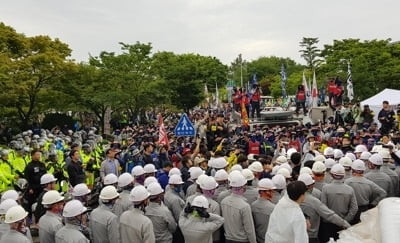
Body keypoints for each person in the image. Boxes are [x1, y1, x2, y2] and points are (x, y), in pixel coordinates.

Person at [298, 174, 350, 243]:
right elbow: (329, 215)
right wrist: (345, 224)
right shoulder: (313, 201)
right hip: (310, 237)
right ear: (310, 186)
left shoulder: (289, 197)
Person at [320, 164, 358, 241]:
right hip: (344, 222)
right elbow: (354, 208)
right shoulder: (350, 189)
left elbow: (323, 207)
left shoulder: (326, 188)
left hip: (328, 223)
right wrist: (345, 221)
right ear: (343, 175)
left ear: (331, 175)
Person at [344, 159, 386, 224]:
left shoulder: (347, 182)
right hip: (364, 210)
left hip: (350, 210)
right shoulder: (369, 183)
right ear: (363, 170)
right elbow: (383, 193)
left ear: (352, 169)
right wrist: (373, 204)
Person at [221, 171, 256, 243]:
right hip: (241, 240)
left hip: (227, 239)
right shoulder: (244, 206)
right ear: (243, 186)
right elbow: (249, 229)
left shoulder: (224, 202)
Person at [251, 178, 275, 243]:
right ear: (267, 192)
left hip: (257, 239)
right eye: (272, 190)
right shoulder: (273, 208)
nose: (273, 192)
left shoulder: (253, 205)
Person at [24, 149, 46, 214]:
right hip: (33, 188)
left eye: (39, 154)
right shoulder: (29, 166)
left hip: (41, 186)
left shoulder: (42, 164)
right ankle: (31, 216)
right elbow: (27, 178)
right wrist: (29, 188)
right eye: (37, 154)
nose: (39, 156)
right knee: (32, 203)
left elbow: (45, 174)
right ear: (32, 156)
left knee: (42, 201)